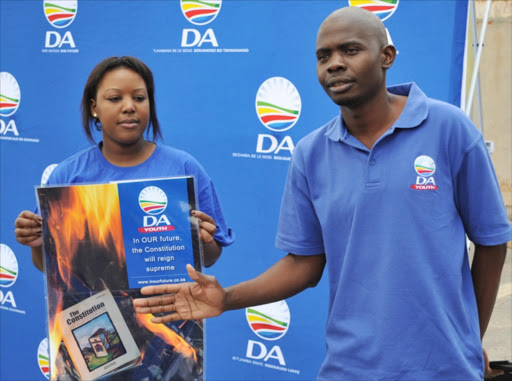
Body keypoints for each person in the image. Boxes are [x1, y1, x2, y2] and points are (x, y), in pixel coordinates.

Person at [133, 7, 511, 381]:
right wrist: (227, 298)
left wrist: (467, 336)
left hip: (443, 369)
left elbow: (492, 242)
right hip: (348, 369)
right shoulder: (311, 153)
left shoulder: (449, 130)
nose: (334, 64)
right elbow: (304, 265)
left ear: (387, 57)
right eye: (323, 56)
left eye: (350, 50)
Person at [14, 56, 234, 270]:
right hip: (93, 307)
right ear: (94, 107)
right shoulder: (66, 176)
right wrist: (36, 245)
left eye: (139, 98)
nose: (129, 107)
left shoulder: (184, 168)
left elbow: (210, 259)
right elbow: (50, 268)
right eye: (114, 98)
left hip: (170, 306)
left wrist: (204, 241)